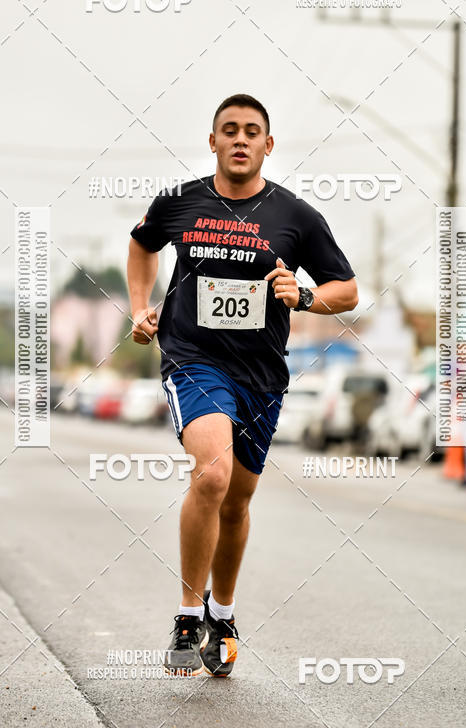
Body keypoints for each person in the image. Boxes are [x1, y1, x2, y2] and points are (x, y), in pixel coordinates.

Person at [127, 93, 358, 677]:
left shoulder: (295, 216)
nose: (239, 139)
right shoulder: (181, 203)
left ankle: (222, 615)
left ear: (267, 145)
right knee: (213, 472)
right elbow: (141, 244)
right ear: (212, 142)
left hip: (261, 372)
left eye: (251, 131)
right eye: (228, 130)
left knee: (237, 501)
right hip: (193, 358)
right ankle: (186, 614)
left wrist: (305, 295)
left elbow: (347, 290)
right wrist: (138, 308)